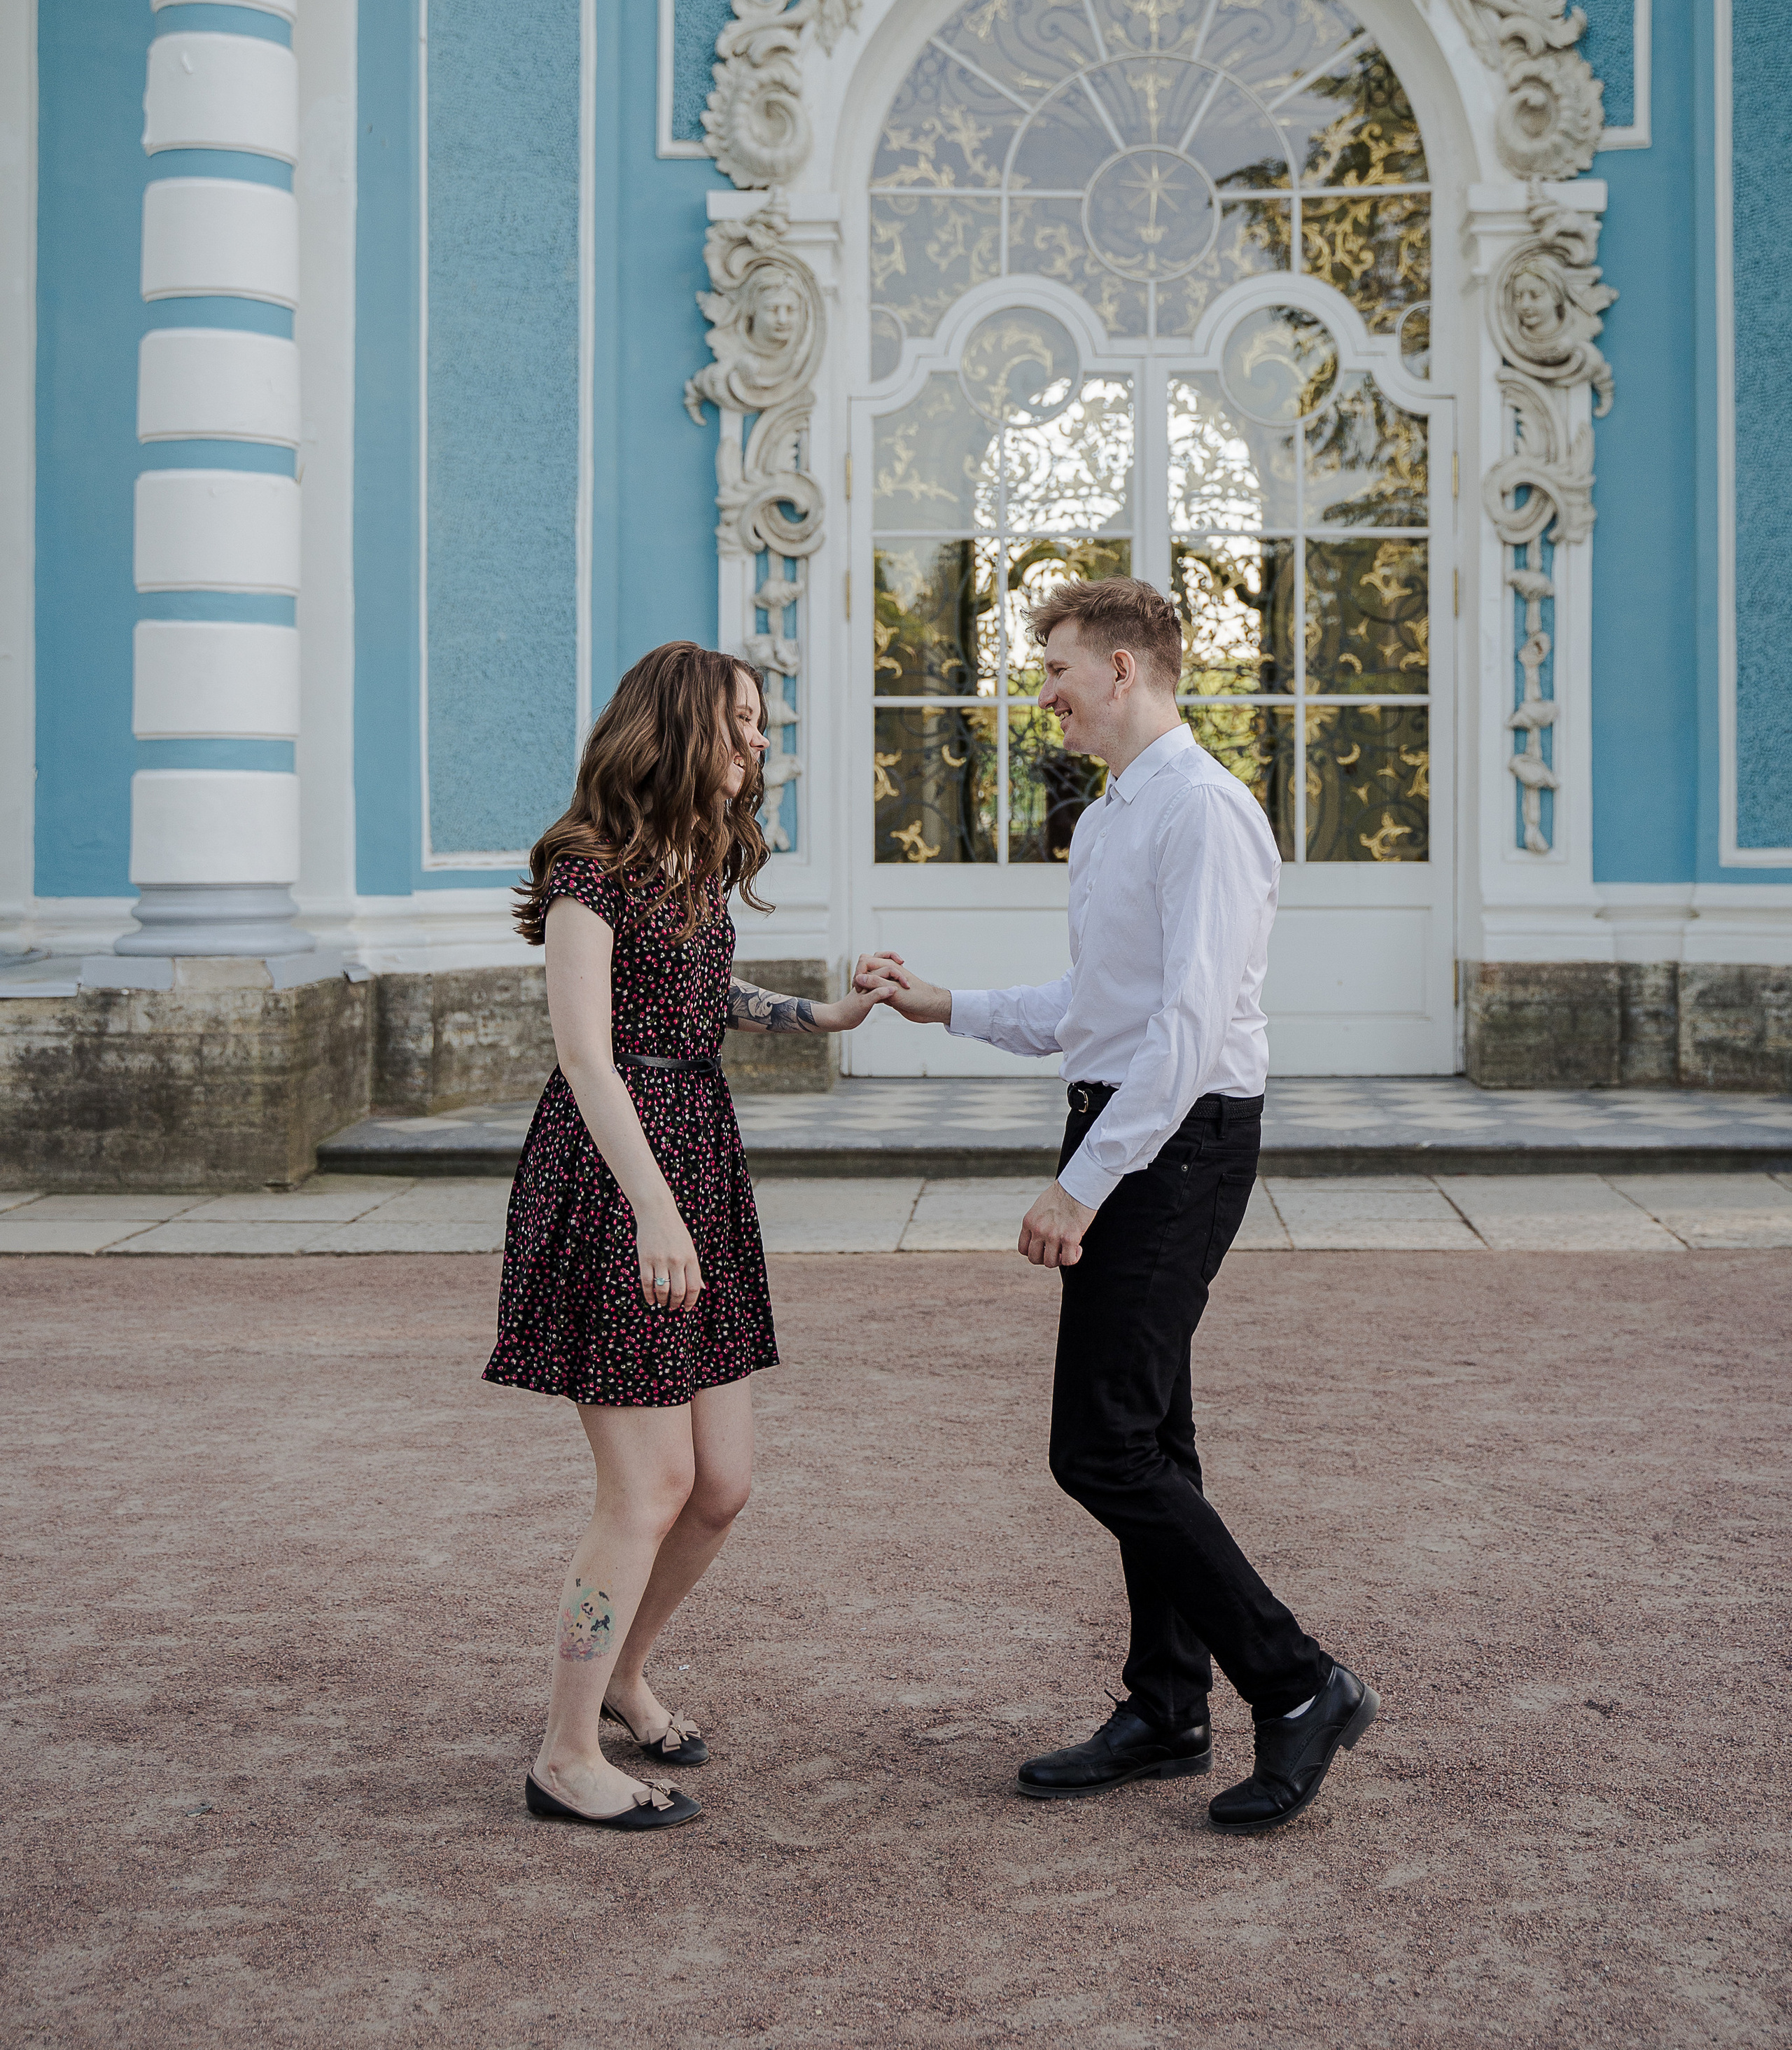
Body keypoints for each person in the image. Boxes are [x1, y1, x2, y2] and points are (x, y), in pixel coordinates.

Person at [863, 578, 1378, 1834]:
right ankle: (1168, 1707)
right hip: (1133, 1118)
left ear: (1128, 667)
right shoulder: (1110, 820)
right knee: (1153, 1439)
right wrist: (948, 1006)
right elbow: (1097, 1008)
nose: (1044, 693)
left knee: (1100, 1448)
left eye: (1057, 670)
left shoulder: (1205, 809)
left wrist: (1081, 1183)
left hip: (1180, 1141)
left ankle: (1299, 1682)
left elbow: (1191, 1032)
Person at [484, 641, 892, 1832]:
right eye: (744, 723)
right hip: (617, 1182)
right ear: (677, 728)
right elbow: (586, 1053)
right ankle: (565, 1755)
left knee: (721, 1485)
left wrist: (823, 1013)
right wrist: (657, 1206)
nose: (760, 742)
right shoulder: (586, 869)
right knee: (649, 1486)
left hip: (699, 1160)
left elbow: (706, 999)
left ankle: (618, 1678)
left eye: (763, 723)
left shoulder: (694, 861)